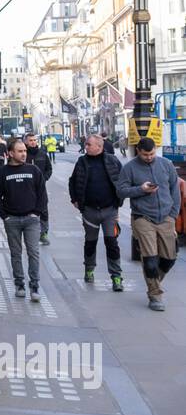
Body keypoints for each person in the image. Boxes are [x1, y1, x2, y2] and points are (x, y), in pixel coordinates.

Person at [117, 137, 181, 312]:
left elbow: (175, 190)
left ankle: (154, 282)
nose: (149, 157)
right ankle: (155, 295)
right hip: (142, 217)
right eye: (146, 154)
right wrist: (141, 189)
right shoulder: (129, 168)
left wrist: (173, 215)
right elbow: (120, 191)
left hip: (166, 217)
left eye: (152, 153)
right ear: (138, 151)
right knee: (150, 260)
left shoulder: (166, 164)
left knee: (169, 259)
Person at [0, 137, 48, 301]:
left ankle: (35, 285)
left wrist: (37, 213)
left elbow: (42, 195)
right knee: (16, 253)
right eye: (20, 151)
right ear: (10, 153)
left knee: (34, 252)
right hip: (12, 220)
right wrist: (5, 217)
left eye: (24, 151)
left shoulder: (34, 170)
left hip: (31, 219)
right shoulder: (1, 174)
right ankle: (20, 283)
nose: (24, 154)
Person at [68, 132, 124, 290]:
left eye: (88, 145)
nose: (85, 147)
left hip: (109, 211)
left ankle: (116, 277)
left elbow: (122, 181)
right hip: (90, 211)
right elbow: (72, 181)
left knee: (112, 243)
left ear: (99, 147)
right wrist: (74, 200)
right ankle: (89, 269)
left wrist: (118, 202)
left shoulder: (112, 160)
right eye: (85, 144)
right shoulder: (82, 161)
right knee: (90, 242)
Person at [23, 132, 53, 244]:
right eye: (30, 140)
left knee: (44, 210)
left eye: (35, 140)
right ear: (26, 141)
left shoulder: (42, 154)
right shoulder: (23, 154)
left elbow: (49, 169)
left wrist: (44, 179)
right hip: (25, 188)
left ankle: (43, 233)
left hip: (40, 188)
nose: (33, 142)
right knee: (27, 210)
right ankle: (28, 234)